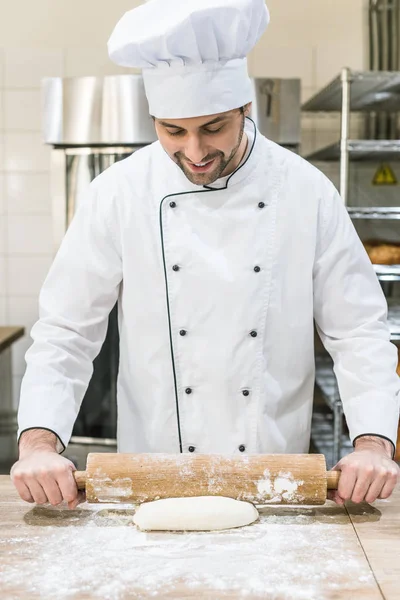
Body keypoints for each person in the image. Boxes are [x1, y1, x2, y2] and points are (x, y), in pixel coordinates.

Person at [11, 0, 400, 511]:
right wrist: (38, 443)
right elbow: (67, 330)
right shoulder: (119, 193)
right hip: (150, 477)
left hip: (273, 477)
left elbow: (358, 332)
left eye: (213, 127)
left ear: (245, 109)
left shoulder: (305, 190)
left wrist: (373, 442)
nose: (194, 152)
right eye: (173, 131)